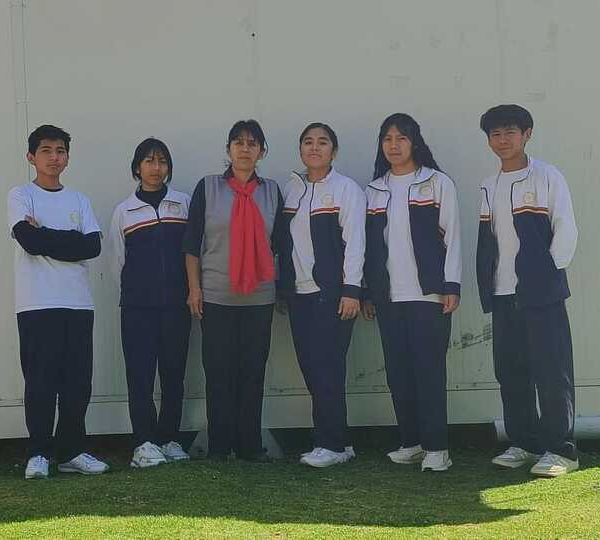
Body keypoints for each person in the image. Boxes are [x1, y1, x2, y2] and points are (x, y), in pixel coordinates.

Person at [476, 104, 579, 477]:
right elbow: (488, 242)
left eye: (510, 132)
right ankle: (525, 442)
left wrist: (546, 275)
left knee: (551, 371)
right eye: (495, 134)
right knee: (511, 372)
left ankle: (561, 450)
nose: (502, 140)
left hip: (541, 292)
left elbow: (565, 229)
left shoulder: (547, 176)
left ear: (527, 134)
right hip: (503, 293)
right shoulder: (489, 186)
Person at [7, 124, 110, 479]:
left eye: (60, 151)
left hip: (77, 304)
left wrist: (45, 234)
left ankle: (71, 452)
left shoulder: (79, 200)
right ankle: (39, 452)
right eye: (46, 151)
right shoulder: (21, 195)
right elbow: (28, 240)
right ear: (31, 157)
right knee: (40, 382)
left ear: (68, 157)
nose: (54, 158)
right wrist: (66, 241)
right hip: (36, 304)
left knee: (77, 383)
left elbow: (92, 246)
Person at [362, 113, 461, 472]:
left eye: (401, 138)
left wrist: (451, 286)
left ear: (414, 142)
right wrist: (369, 293)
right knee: (398, 373)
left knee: (429, 372)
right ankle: (412, 443)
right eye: (387, 138)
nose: (394, 145)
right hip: (389, 298)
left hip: (429, 297)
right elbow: (369, 246)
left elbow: (453, 237)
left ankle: (437, 449)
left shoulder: (436, 182)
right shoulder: (374, 189)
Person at [182, 119, 284, 461]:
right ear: (228, 150)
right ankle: (219, 445)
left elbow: (279, 244)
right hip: (216, 295)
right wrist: (194, 288)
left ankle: (250, 445)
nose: (245, 149)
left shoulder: (271, 191)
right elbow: (192, 244)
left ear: (262, 152)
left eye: (252, 143)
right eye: (238, 142)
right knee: (218, 371)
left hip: (259, 297)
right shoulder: (208, 188)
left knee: (253, 371)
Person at [278, 122, 366, 468]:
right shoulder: (292, 189)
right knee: (312, 368)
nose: (314, 148)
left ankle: (329, 444)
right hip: (298, 296)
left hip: (332, 295)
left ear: (334, 150)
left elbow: (356, 243)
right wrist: (283, 289)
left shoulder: (346, 189)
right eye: (308, 142)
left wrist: (352, 291)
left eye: (323, 142)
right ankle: (341, 441)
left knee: (327, 369)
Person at [108, 138, 192, 468]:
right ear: (137, 167)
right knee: (140, 375)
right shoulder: (124, 211)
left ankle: (169, 438)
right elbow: (117, 263)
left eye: (162, 161)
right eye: (149, 161)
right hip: (138, 308)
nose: (156, 168)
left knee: (174, 373)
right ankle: (144, 442)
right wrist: (136, 294)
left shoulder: (183, 204)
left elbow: (193, 252)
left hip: (177, 306)